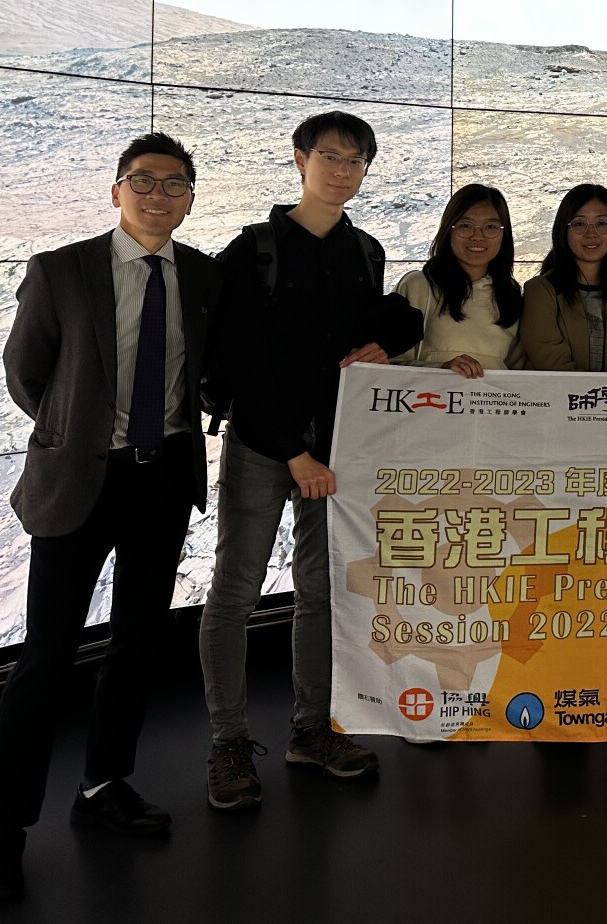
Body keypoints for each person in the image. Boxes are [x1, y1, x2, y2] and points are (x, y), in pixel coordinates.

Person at [0, 134, 223, 901]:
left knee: (137, 643)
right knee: (45, 659)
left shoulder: (202, 276)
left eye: (173, 184)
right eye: (142, 180)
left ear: (189, 200)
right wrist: (74, 435)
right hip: (80, 481)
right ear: (116, 191)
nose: (157, 195)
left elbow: (203, 371)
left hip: (163, 477)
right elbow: (27, 372)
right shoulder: (62, 270)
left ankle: (104, 783)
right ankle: (4, 830)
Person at [199, 111, 423, 812]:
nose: (342, 171)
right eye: (330, 156)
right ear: (300, 159)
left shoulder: (364, 251)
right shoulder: (254, 249)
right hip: (266, 448)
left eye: (356, 161)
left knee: (321, 592)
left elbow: (372, 327)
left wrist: (389, 341)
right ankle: (229, 742)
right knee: (235, 593)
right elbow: (241, 361)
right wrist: (293, 453)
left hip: (334, 450)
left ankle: (311, 729)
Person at [393, 184, 525, 376]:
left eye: (490, 227)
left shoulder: (511, 297)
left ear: (504, 234)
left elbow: (520, 375)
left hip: (490, 397)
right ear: (449, 230)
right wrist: (442, 370)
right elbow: (387, 366)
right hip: (429, 395)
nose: (477, 236)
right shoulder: (418, 285)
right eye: (465, 226)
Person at [520, 183, 607, 371]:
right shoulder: (540, 292)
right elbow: (553, 366)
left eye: (602, 223)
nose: (592, 234)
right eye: (579, 224)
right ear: (563, 229)